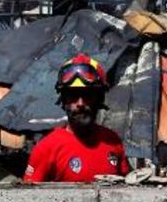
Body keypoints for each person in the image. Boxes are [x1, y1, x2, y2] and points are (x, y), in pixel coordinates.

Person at [23, 54, 130, 183]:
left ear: (99, 99)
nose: (80, 103)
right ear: (63, 101)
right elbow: (29, 198)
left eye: (87, 95)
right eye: (73, 95)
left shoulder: (113, 142)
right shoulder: (47, 148)